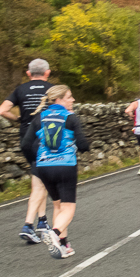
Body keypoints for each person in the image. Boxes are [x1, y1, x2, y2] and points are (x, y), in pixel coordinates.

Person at [21, 85, 90, 258]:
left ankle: (64, 246)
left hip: (43, 167)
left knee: (58, 206)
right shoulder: (70, 117)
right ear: (59, 99)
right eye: (69, 97)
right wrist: (83, 147)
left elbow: (25, 145)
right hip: (66, 166)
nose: (72, 100)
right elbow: (83, 145)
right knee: (68, 209)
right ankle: (55, 233)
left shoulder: (39, 118)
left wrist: (35, 159)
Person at [0, 59, 53, 244]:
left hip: (26, 140)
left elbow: (2, 110)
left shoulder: (20, 89)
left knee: (40, 178)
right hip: (45, 139)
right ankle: (28, 225)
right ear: (47, 73)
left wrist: (18, 119)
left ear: (28, 73)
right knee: (40, 183)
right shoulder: (52, 90)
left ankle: (43, 221)